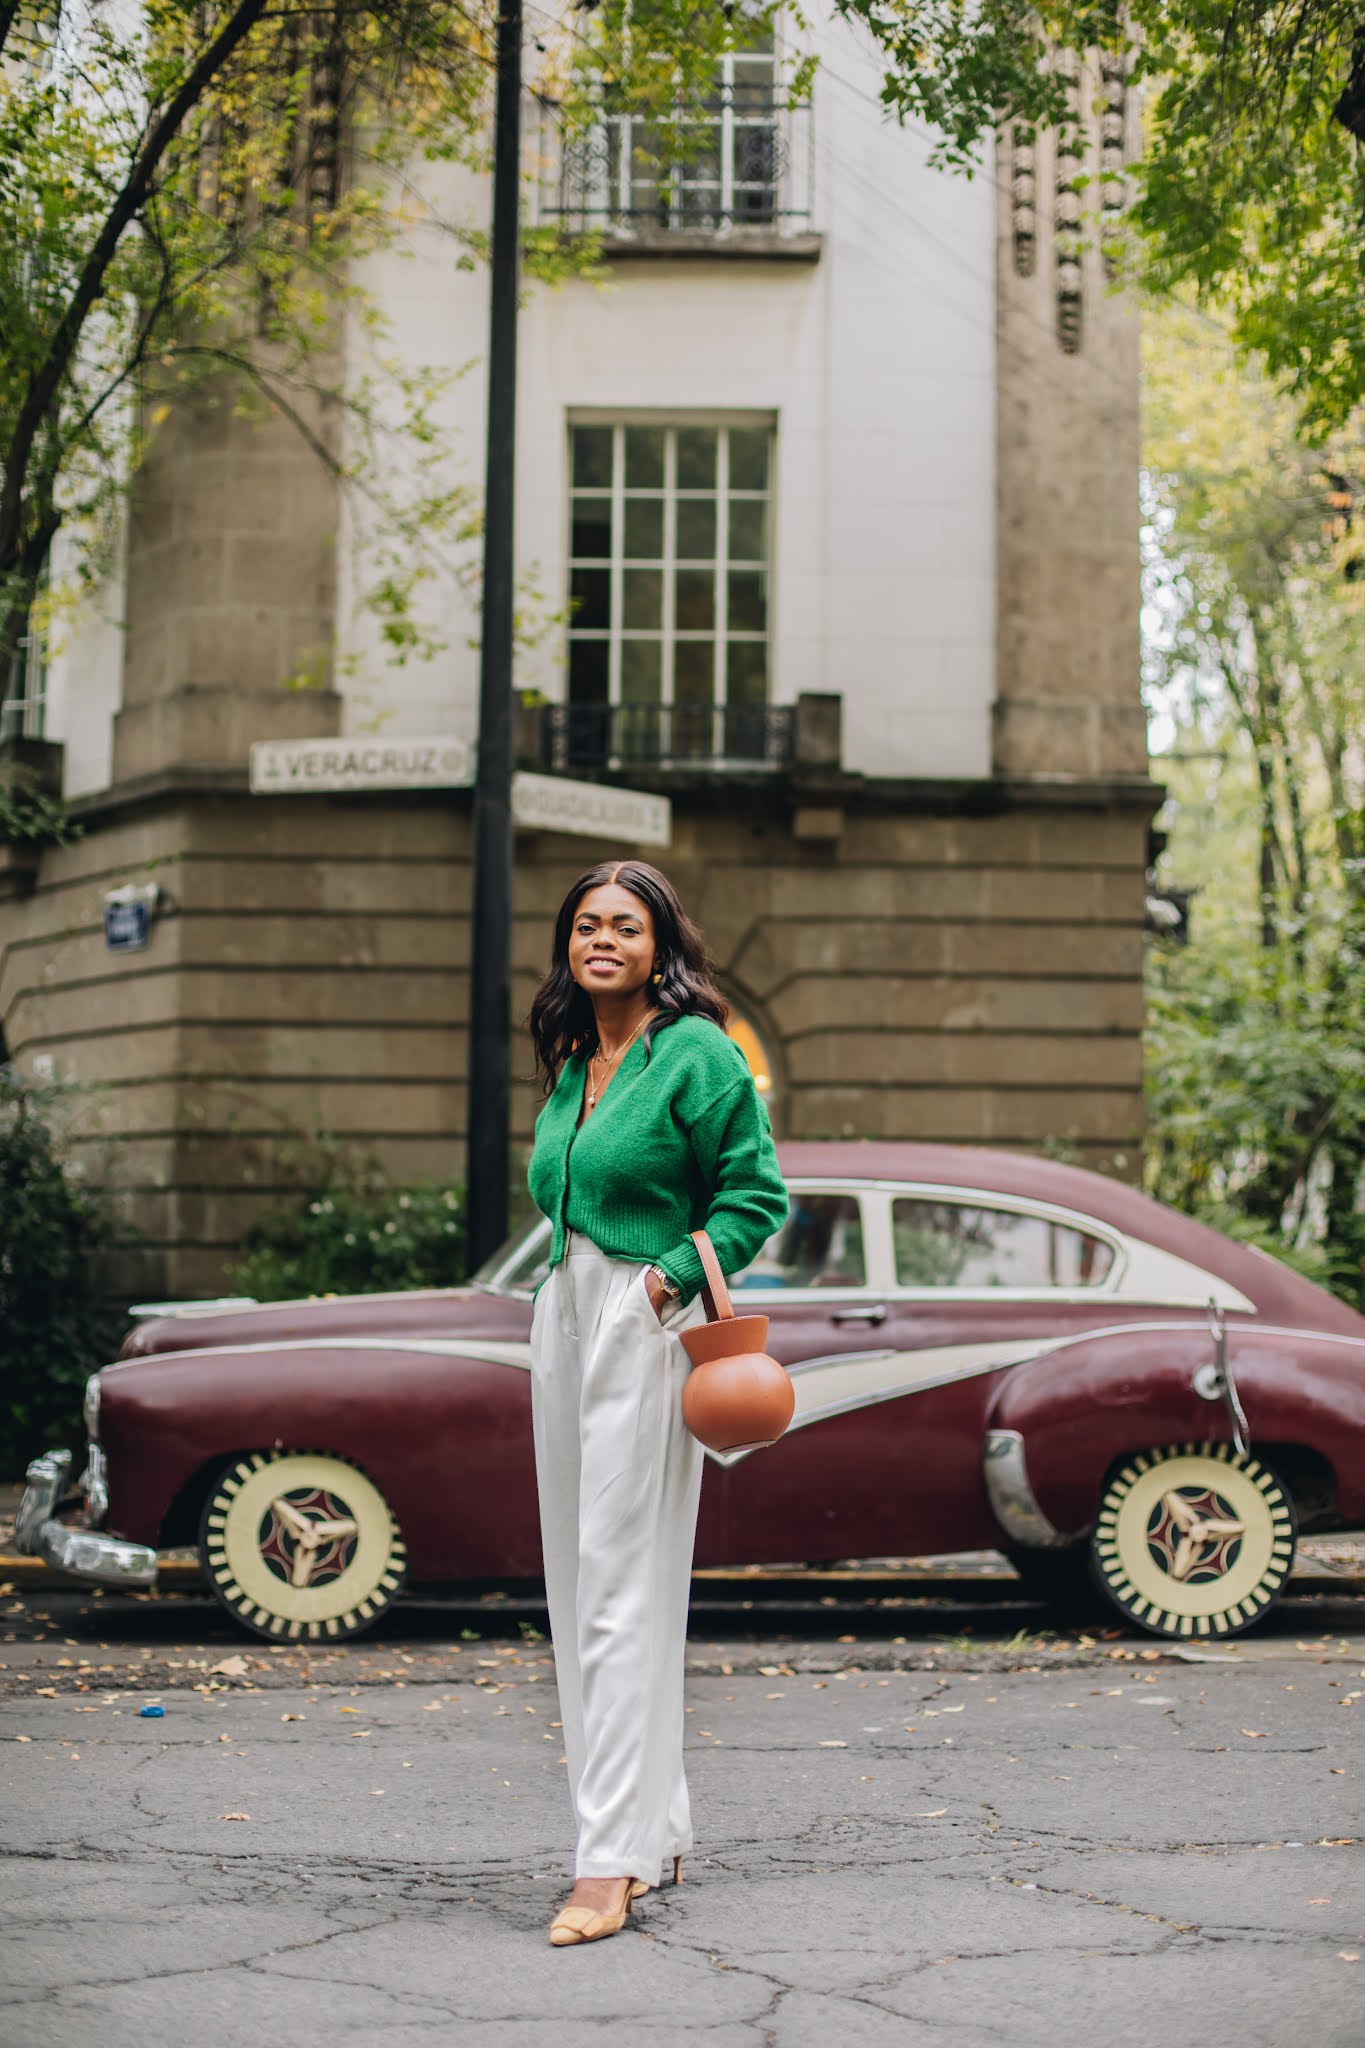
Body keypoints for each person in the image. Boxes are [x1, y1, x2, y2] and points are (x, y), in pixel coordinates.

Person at [526, 858, 788, 1947]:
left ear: (659, 945)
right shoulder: (574, 1058)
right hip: (564, 1313)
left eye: (624, 926)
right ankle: (656, 1821)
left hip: (642, 1314)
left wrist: (665, 1279)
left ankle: (610, 1862)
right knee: (578, 1578)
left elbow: (756, 1194)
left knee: (622, 1591)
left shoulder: (697, 1054)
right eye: (586, 924)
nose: (602, 939)